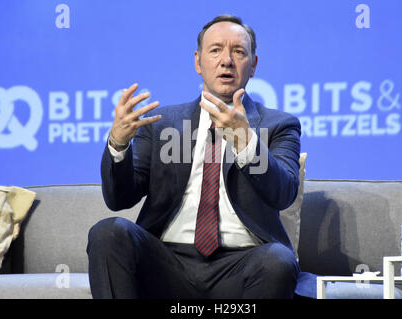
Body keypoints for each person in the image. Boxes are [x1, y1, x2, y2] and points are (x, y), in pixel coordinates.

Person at [87, 14, 314, 299]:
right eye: (216, 50)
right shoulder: (162, 124)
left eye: (239, 51)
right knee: (109, 233)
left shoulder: (279, 125)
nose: (227, 60)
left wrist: (246, 142)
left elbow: (283, 194)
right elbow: (119, 199)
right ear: (198, 62)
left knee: (278, 261)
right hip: (167, 264)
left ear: (253, 65)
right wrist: (118, 144)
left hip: (244, 264)